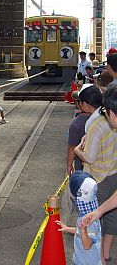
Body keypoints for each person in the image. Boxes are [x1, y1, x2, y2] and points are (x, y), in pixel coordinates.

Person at [74, 87, 117, 262]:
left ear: (112, 113)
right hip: (114, 173)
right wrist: (99, 211)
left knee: (93, 228)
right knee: (112, 218)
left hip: (99, 178)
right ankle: (105, 254)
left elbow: (89, 157)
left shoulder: (96, 125)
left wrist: (77, 150)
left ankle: (96, 258)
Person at [56, 171, 101, 265]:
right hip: (88, 259)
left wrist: (84, 230)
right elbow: (81, 232)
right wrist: (67, 229)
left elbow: (87, 245)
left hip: (86, 261)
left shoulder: (87, 220)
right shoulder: (92, 213)